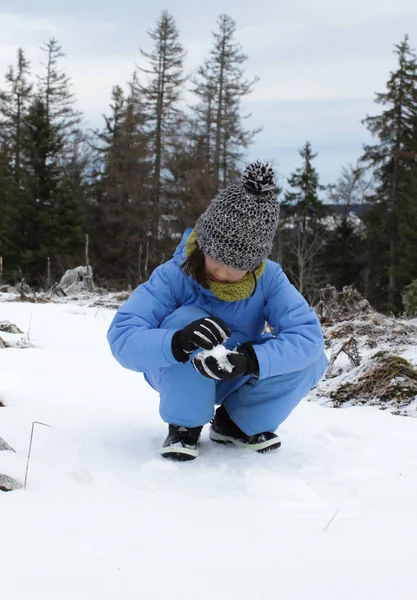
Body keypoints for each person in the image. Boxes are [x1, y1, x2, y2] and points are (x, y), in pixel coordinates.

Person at [107, 161, 328, 461]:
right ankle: (185, 425)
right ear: (203, 246)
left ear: (254, 264)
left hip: (232, 372)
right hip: (175, 372)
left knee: (312, 359)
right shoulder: (174, 274)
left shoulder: (270, 279)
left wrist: (251, 361)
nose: (222, 272)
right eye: (216, 259)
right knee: (189, 319)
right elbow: (123, 336)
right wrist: (176, 342)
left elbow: (308, 338)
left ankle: (235, 423)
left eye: (236, 265)